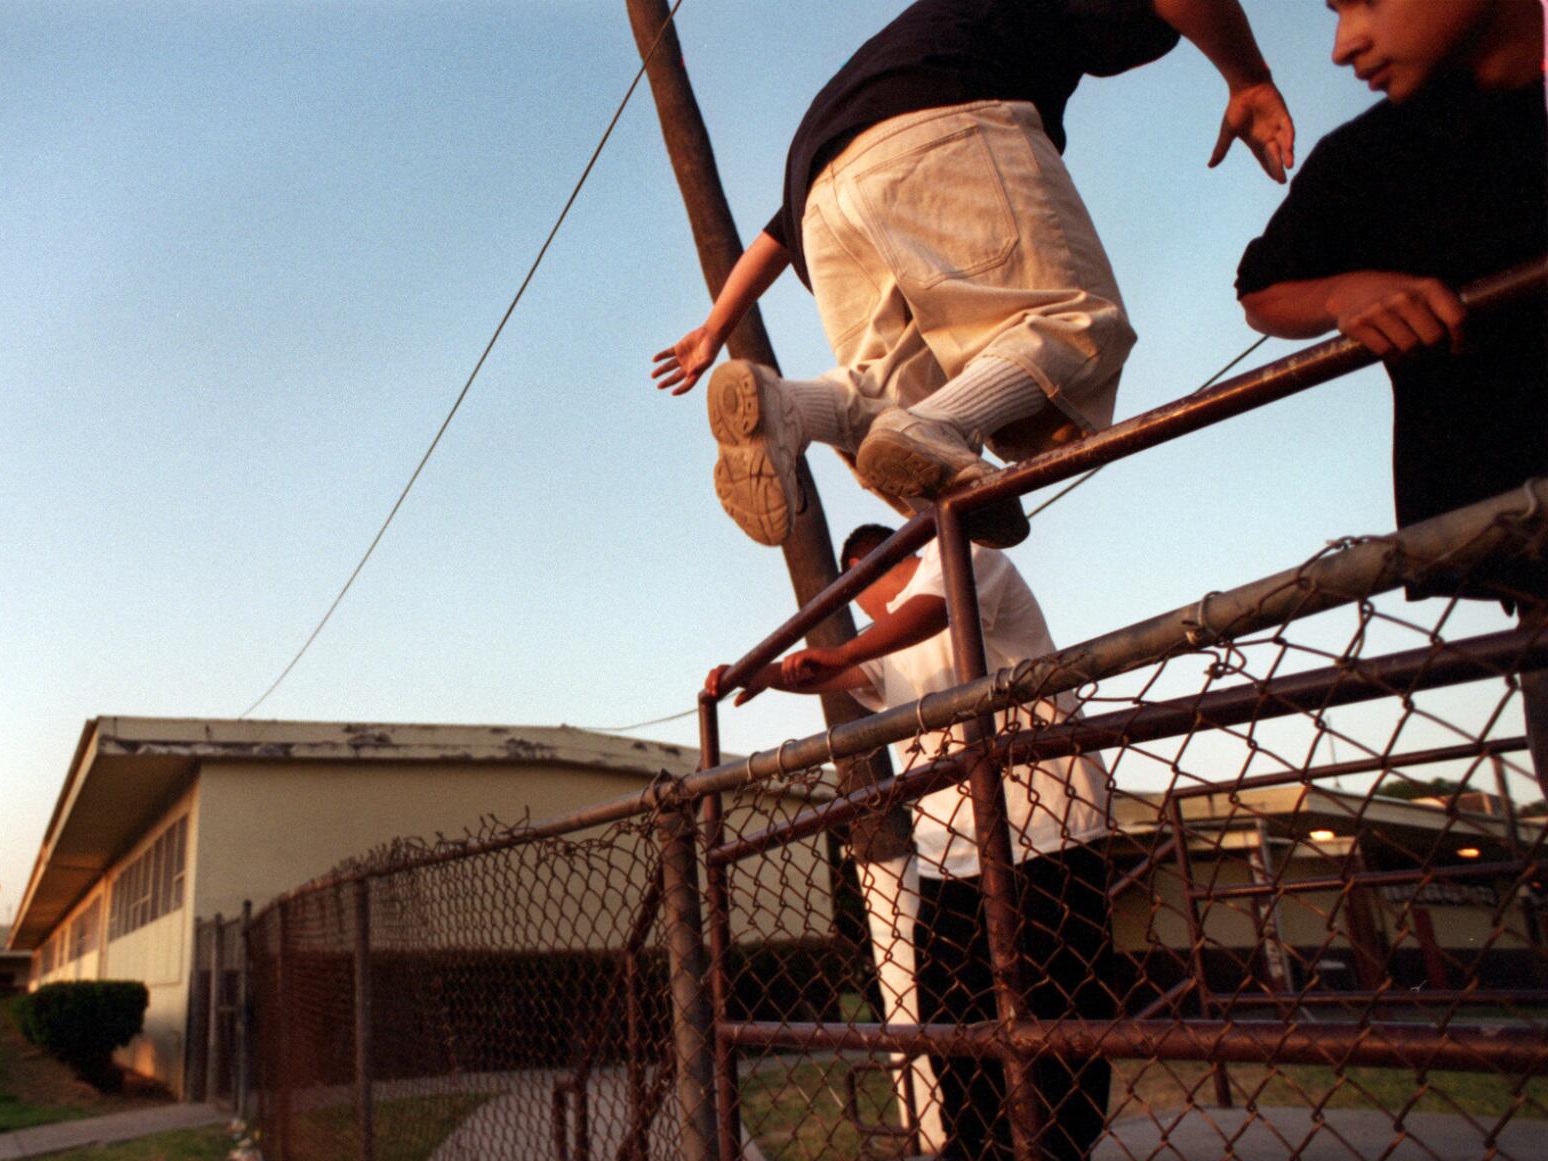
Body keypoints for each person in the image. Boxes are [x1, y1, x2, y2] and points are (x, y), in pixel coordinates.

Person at [655, 0, 1294, 550]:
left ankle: (787, 406)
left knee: (892, 396)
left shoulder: (936, 32)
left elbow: (777, 232)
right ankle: (942, 427)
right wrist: (1249, 80)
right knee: (1073, 322)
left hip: (820, 191)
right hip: (943, 119)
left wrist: (715, 327)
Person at [713, 523, 1116, 1161]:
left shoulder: (970, 556)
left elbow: (917, 616)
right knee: (951, 998)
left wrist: (840, 646)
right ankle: (981, 1146)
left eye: (861, 588)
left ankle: (1062, 1160)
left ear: (890, 561)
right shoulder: (886, 649)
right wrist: (757, 674)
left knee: (1058, 992)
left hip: (1047, 822)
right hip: (953, 844)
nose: (861, 608)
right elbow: (831, 671)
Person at [1232, 0, 1547, 773]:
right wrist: (1343, 294)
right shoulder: (1373, 157)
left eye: (1366, 1)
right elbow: (1261, 288)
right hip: (1533, 558)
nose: (1344, 45)